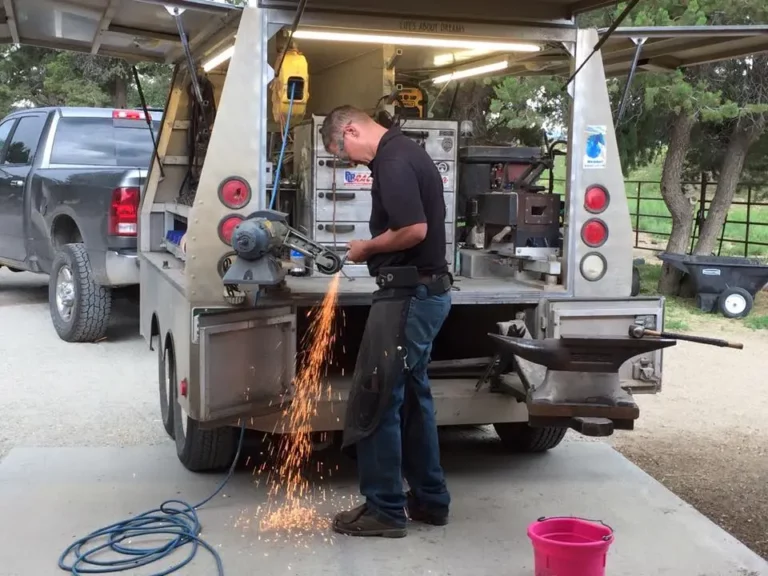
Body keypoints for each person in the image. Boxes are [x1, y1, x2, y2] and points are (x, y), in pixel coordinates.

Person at [319, 105, 452, 538]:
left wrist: (367, 248)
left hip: (407, 296)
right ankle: (430, 500)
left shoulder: (392, 160)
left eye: (343, 152)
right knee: (412, 398)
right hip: (424, 292)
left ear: (350, 130)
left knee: (376, 399)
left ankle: (385, 509)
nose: (351, 162)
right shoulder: (406, 152)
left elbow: (413, 229)